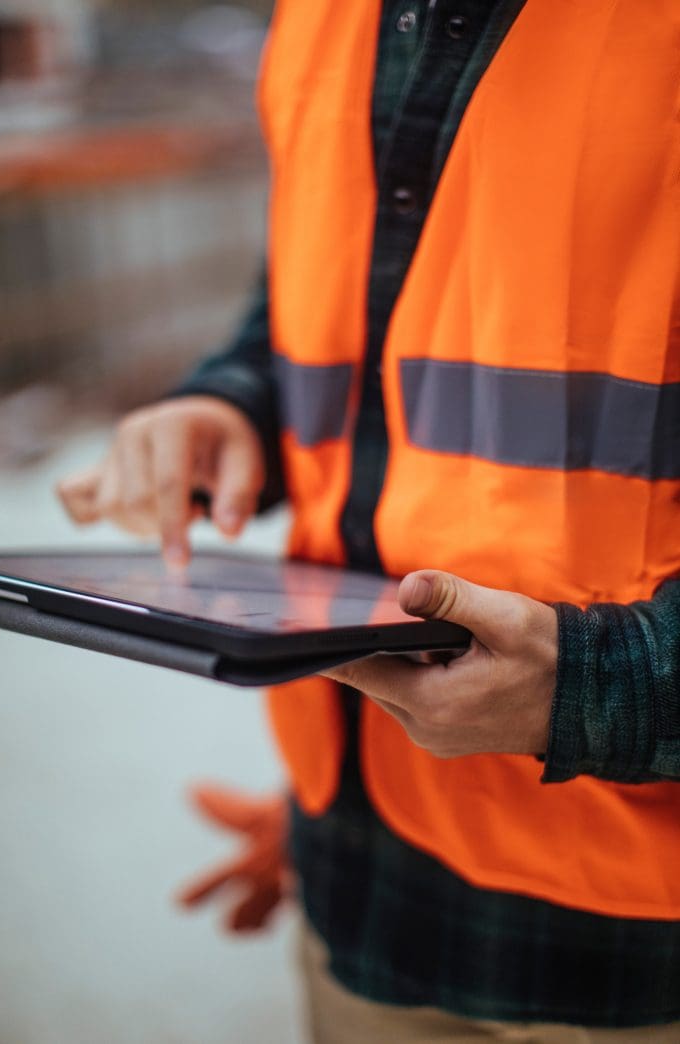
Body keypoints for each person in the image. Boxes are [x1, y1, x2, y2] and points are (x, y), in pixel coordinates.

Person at [57, 1, 680, 1041]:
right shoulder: (324, 14)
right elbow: (331, 295)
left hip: (632, 962)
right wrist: (229, 399)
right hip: (362, 886)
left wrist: (599, 690)